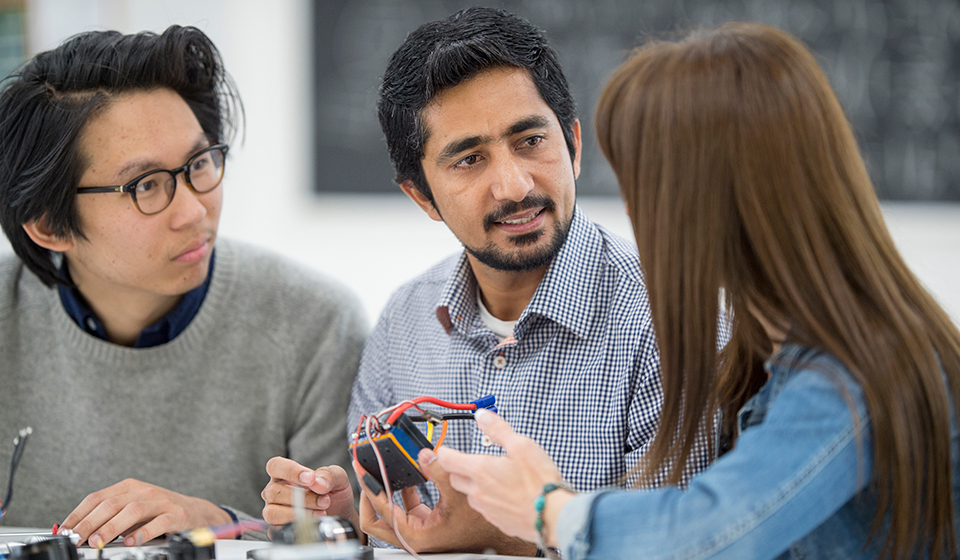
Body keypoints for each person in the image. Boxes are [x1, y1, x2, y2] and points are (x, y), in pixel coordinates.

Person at [435, 21, 960, 560]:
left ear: (721, 195)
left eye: (643, 182)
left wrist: (547, 510)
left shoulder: (860, 371)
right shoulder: (769, 349)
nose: (634, 211)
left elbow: (711, 535)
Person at [261, 6, 717, 556]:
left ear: (573, 146)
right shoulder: (405, 325)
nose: (513, 185)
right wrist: (347, 520)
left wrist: (507, 536)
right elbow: (398, 523)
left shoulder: (674, 318)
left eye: (529, 141)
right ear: (421, 196)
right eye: (470, 159)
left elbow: (694, 545)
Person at [0, 26, 367, 546]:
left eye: (199, 164)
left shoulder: (316, 324)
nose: (195, 211)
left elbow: (342, 538)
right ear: (49, 226)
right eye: (146, 185)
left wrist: (219, 523)